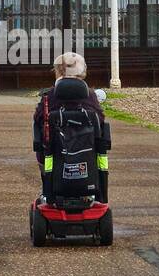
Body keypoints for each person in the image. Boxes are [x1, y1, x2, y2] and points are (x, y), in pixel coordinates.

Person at [33, 52, 106, 201]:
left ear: (58, 72)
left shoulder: (49, 97)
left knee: (43, 146)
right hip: (87, 151)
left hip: (54, 153)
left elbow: (38, 118)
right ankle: (94, 194)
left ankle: (48, 190)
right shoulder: (90, 96)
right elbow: (100, 120)